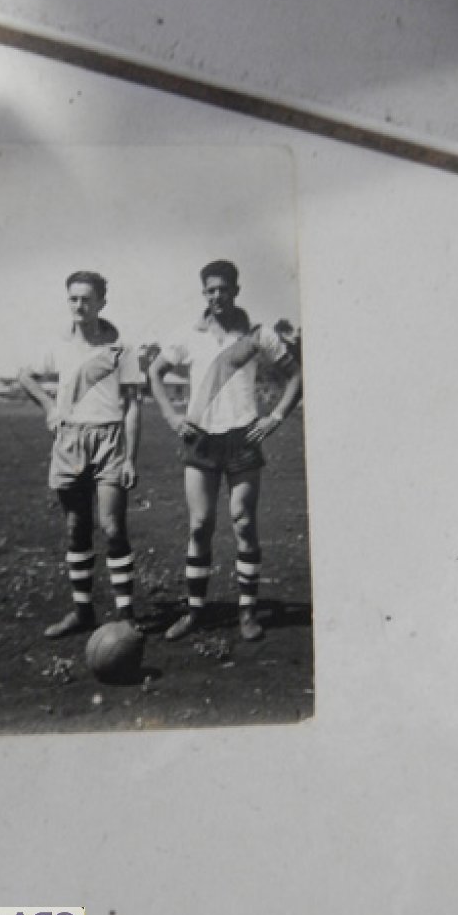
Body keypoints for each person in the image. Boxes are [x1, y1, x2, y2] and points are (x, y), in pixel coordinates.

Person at [149, 260, 302, 641]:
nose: (217, 296)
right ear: (204, 293)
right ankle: (195, 611)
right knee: (200, 525)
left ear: (236, 290)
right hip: (200, 438)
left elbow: (297, 374)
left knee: (243, 523)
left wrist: (276, 416)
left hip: (242, 438)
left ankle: (247, 612)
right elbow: (153, 372)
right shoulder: (188, 334)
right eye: (210, 289)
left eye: (224, 288)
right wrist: (171, 416)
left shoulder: (257, 334)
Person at [19, 272, 142, 638]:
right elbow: (24, 375)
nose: (79, 306)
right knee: (76, 529)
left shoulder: (121, 346)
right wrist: (49, 407)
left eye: (87, 299)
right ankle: (82, 612)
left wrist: (131, 457)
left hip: (109, 440)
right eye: (73, 299)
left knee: (113, 527)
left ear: (102, 302)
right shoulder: (57, 344)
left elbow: (134, 404)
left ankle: (126, 616)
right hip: (70, 441)